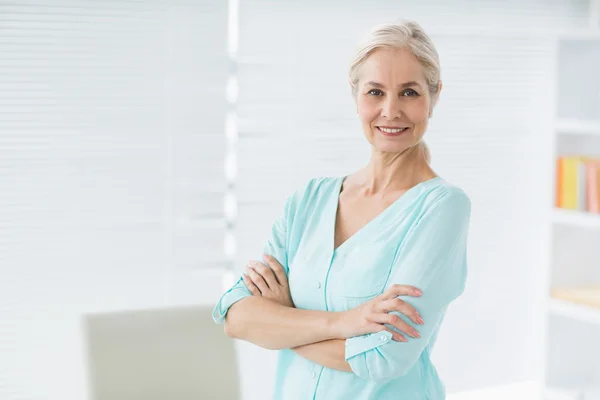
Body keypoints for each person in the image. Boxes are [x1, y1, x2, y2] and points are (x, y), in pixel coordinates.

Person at [212, 19, 471, 400]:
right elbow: (236, 317)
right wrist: (345, 323)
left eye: (409, 92)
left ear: (433, 98)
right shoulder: (309, 200)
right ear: (355, 97)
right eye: (375, 92)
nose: (390, 110)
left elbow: (387, 357)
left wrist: (284, 322)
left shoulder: (442, 208)